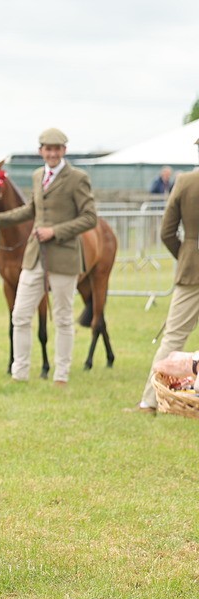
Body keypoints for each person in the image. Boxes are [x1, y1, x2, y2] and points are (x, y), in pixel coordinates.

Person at [0, 128, 97, 385]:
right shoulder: (37, 175)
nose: (52, 153)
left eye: (57, 149)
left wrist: (55, 231)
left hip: (64, 257)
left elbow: (89, 217)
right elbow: (30, 209)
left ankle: (61, 374)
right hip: (34, 257)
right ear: (41, 151)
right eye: (48, 148)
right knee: (20, 314)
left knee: (63, 318)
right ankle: (20, 373)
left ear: (64, 151)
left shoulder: (78, 178)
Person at [131, 144, 199, 412]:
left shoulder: (184, 182)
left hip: (192, 269)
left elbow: (167, 232)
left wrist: (186, 254)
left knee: (173, 338)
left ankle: (150, 401)